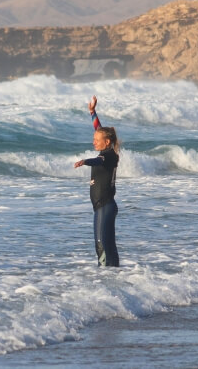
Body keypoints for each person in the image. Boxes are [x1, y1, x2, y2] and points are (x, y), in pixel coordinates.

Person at [73, 96, 120, 267]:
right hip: (105, 206)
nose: (93, 141)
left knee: (101, 245)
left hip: (104, 206)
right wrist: (92, 113)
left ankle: (104, 278)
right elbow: (99, 129)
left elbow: (98, 161)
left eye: (96, 140)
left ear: (106, 142)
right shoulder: (108, 150)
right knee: (109, 247)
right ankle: (115, 276)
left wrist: (85, 161)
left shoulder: (107, 156)